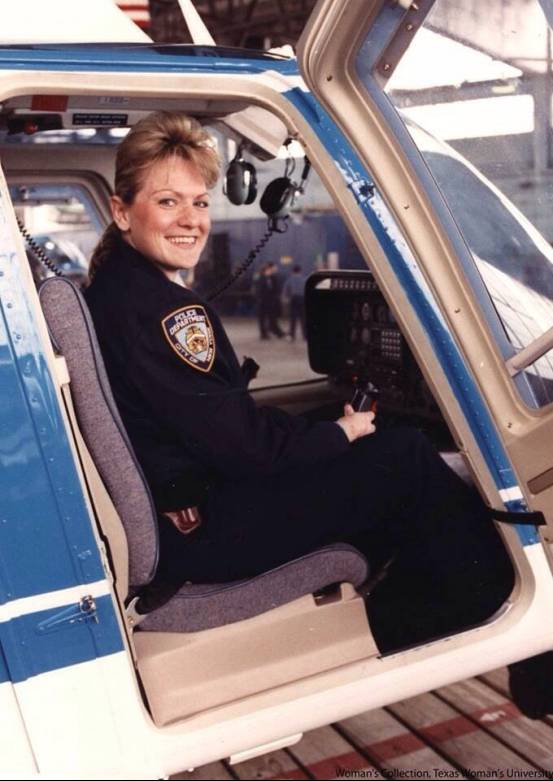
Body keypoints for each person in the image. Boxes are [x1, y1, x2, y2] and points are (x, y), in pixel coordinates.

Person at [85, 111, 513, 651]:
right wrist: (339, 434)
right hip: (207, 532)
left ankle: (405, 606)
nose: (191, 220)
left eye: (200, 202)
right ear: (122, 211)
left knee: (360, 434)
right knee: (405, 455)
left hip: (183, 514)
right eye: (168, 201)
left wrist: (333, 430)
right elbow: (245, 448)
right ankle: (477, 611)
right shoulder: (169, 313)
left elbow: (220, 422)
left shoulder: (114, 290)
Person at [255, 261, 285, 339]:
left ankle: (276, 332)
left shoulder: (272, 277)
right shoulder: (261, 278)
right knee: (262, 318)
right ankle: (264, 334)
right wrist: (260, 299)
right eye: (274, 267)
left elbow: (275, 289)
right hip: (263, 301)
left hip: (270, 302)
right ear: (269, 268)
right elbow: (258, 290)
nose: (276, 269)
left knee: (272, 317)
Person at [282, 264, 306, 340]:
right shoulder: (304, 279)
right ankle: (305, 336)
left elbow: (285, 289)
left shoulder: (290, 279)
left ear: (293, 271)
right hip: (302, 299)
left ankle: (292, 335)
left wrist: (285, 298)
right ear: (300, 271)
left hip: (294, 299)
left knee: (293, 318)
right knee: (303, 318)